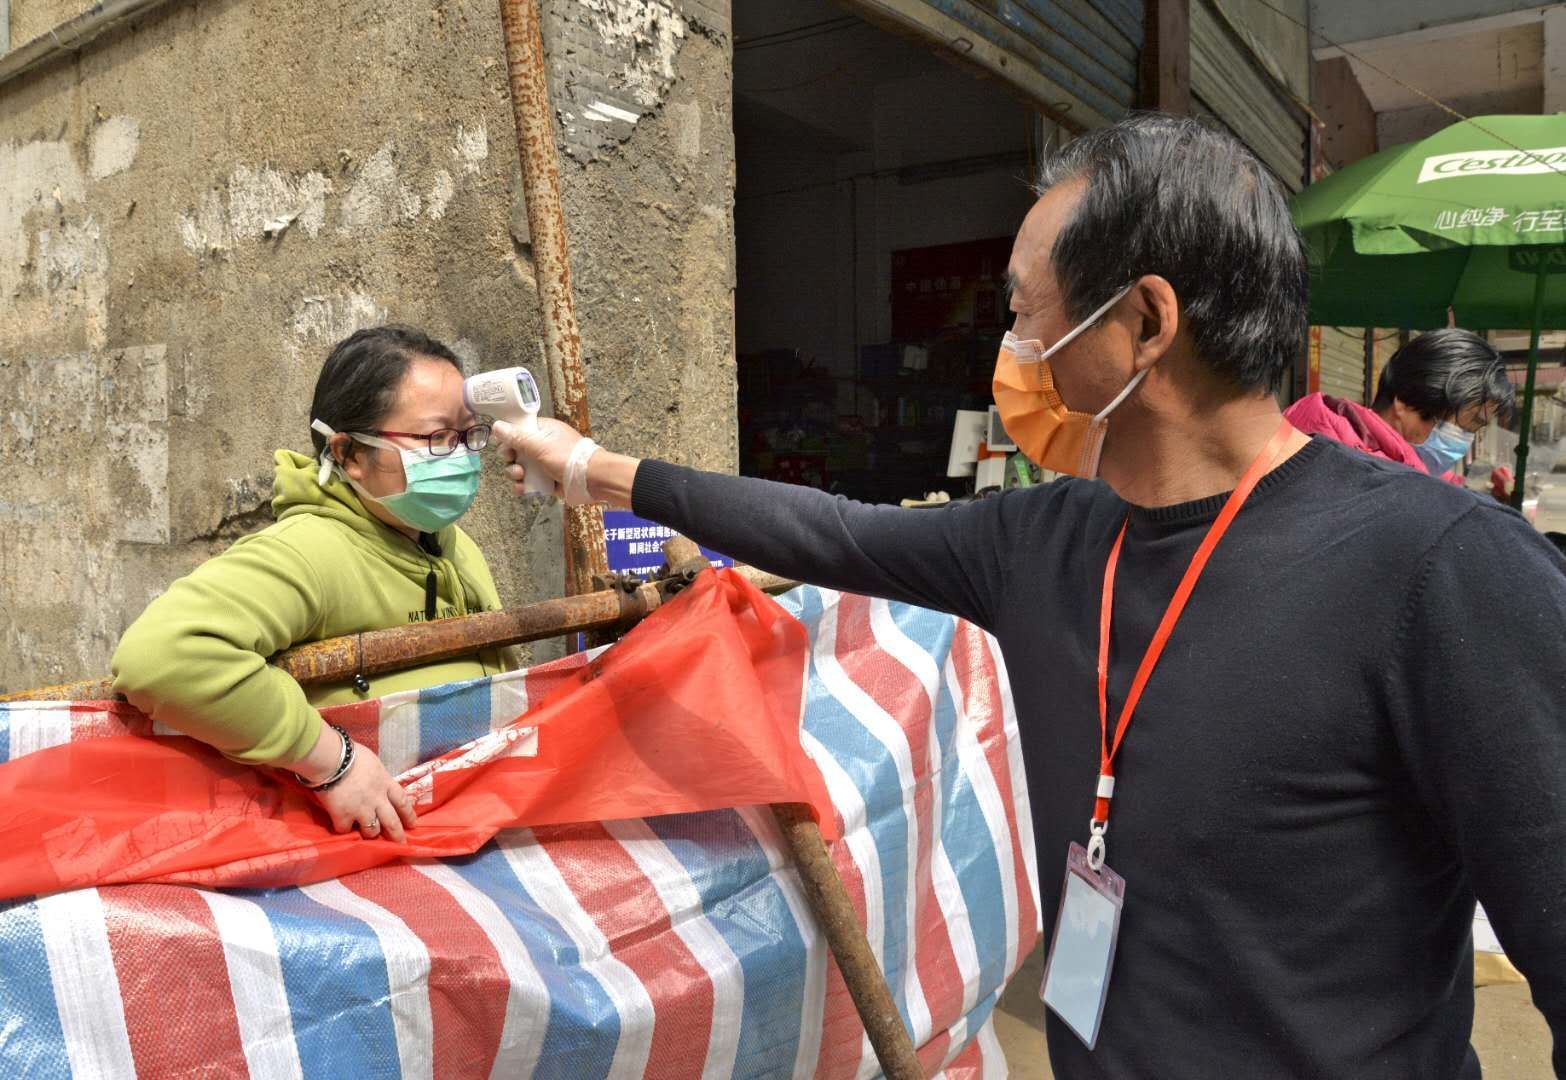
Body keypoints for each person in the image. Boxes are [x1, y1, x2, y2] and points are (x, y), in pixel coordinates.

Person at [495, 115, 1566, 1078]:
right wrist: (591, 468)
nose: (1009, 349)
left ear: (1145, 320)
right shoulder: (1046, 539)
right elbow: (830, 531)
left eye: (1022, 310)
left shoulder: (1441, 569)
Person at [112, 326, 513, 843]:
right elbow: (161, 657)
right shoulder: (309, 552)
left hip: (470, 830)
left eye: (468, 435)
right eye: (436, 439)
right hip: (362, 850)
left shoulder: (453, 545)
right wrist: (333, 762)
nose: (460, 458)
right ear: (349, 454)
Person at [1284, 328, 1514, 483]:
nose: (1464, 440)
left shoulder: (1393, 461)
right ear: (1405, 404)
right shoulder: (1355, 476)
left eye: (1473, 429)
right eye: (1465, 425)